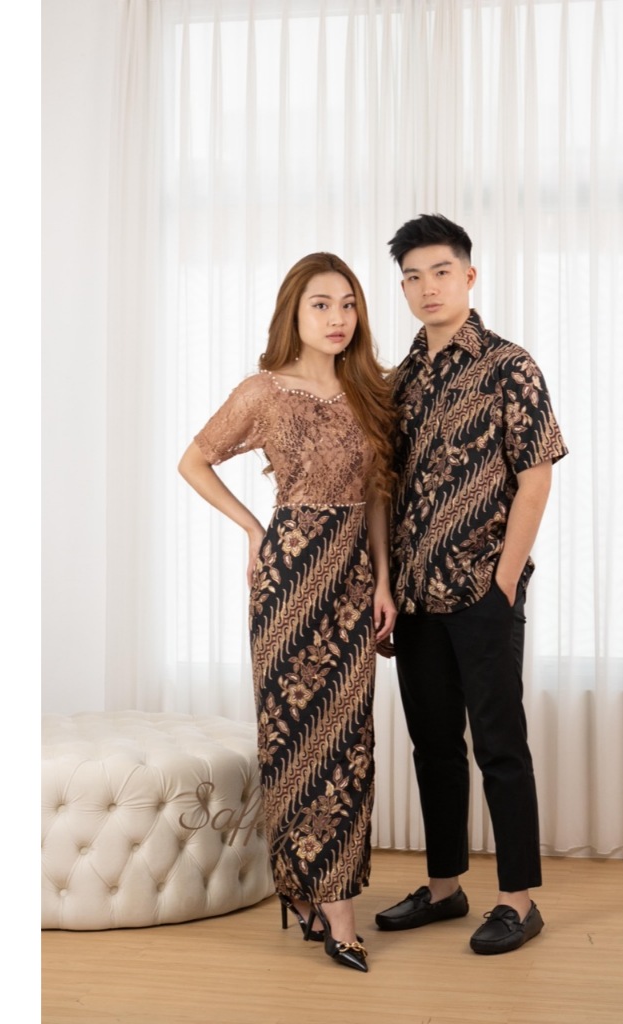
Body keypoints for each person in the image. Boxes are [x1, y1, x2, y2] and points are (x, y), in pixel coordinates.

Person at [179, 253, 396, 974]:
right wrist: (253, 529)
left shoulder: (369, 391)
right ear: (293, 314)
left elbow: (377, 496)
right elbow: (194, 460)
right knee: (293, 742)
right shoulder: (264, 391)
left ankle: (318, 895)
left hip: (352, 580)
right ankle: (326, 905)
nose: (338, 318)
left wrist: (384, 582)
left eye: (348, 304)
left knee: (348, 744)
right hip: (289, 578)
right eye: (321, 305)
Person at [375, 214, 568, 955]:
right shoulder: (398, 381)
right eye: (413, 277)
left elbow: (535, 478)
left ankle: (518, 901)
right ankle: (445, 887)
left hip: (484, 592)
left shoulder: (509, 366)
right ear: (403, 288)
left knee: (499, 745)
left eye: (441, 272)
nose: (428, 287)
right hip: (415, 597)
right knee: (433, 747)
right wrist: (386, 585)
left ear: (469, 276)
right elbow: (384, 488)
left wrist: (504, 582)